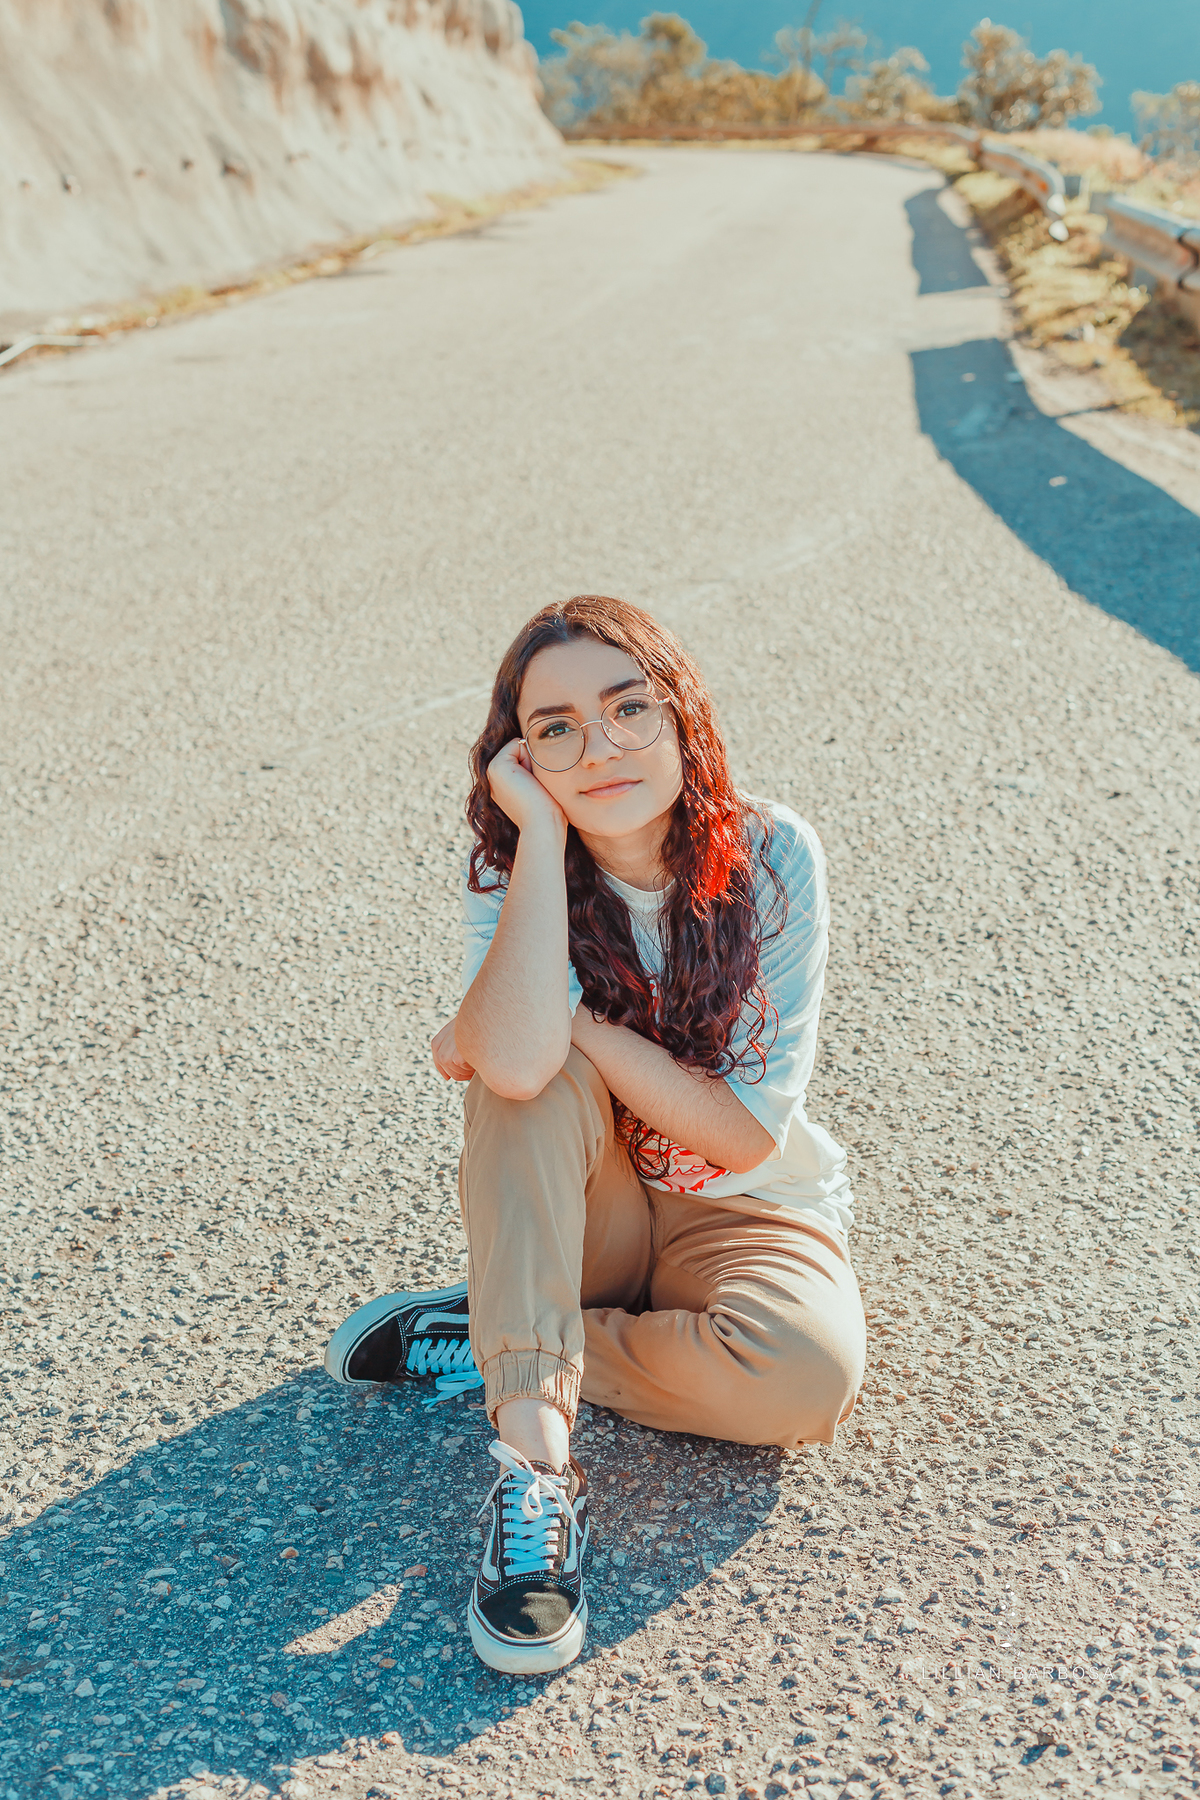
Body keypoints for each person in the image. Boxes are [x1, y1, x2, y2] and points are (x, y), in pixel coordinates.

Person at [325, 595, 866, 1675]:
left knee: (805, 1378)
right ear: (521, 757)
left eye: (628, 708)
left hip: (742, 1212)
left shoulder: (771, 855)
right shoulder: (514, 863)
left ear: (681, 712)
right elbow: (516, 1071)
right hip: (591, 1206)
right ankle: (534, 1471)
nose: (601, 747)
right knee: (522, 1081)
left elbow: (743, 1137)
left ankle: (500, 1332)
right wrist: (539, 838)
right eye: (557, 728)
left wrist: (572, 1022)